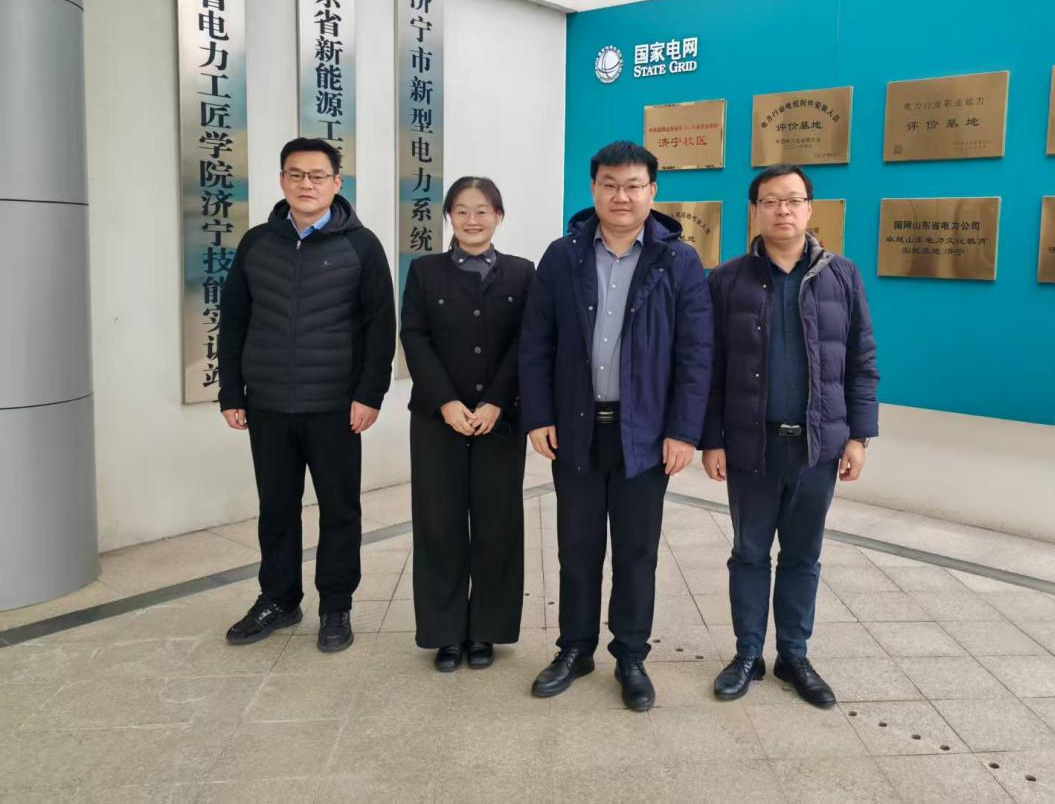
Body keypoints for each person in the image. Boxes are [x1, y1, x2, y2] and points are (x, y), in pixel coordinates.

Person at [519, 140, 713, 711]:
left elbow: (696, 353)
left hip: (645, 434)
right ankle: (575, 649)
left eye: (633, 185)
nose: (621, 196)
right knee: (577, 549)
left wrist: (684, 430)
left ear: (653, 192)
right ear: (594, 188)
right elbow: (537, 341)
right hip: (576, 428)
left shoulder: (679, 261)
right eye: (610, 184)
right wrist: (539, 415)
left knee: (635, 552)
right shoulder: (563, 255)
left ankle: (630, 654)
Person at [701, 164, 879, 706]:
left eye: (793, 200)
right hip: (750, 445)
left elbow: (861, 361)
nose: (783, 210)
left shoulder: (841, 276)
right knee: (750, 554)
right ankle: (747, 655)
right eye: (771, 200)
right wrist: (712, 439)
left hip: (817, 447)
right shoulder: (726, 280)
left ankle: (794, 655)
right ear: (755, 210)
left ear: (809, 209)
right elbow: (709, 367)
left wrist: (859, 436)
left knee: (802, 555)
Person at [218, 137, 395, 653]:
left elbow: (380, 325)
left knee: (339, 509)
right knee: (276, 508)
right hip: (268, 402)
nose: (306, 184)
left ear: (337, 183)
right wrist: (232, 391)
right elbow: (234, 321)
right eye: (295, 174)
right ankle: (278, 599)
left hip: (335, 406)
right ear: (281, 181)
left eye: (318, 175)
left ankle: (336, 605)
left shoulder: (361, 245)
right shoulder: (256, 243)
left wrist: (370, 394)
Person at [400, 177, 534, 671]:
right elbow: (414, 337)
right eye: (461, 210)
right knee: (439, 525)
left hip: (501, 422)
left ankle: (487, 632)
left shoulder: (522, 272)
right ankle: (446, 633)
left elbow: (528, 340)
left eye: (482, 211)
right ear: (448, 217)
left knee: (498, 525)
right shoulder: (424, 271)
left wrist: (497, 401)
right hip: (437, 421)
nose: (472, 220)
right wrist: (447, 403)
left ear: (499, 216)